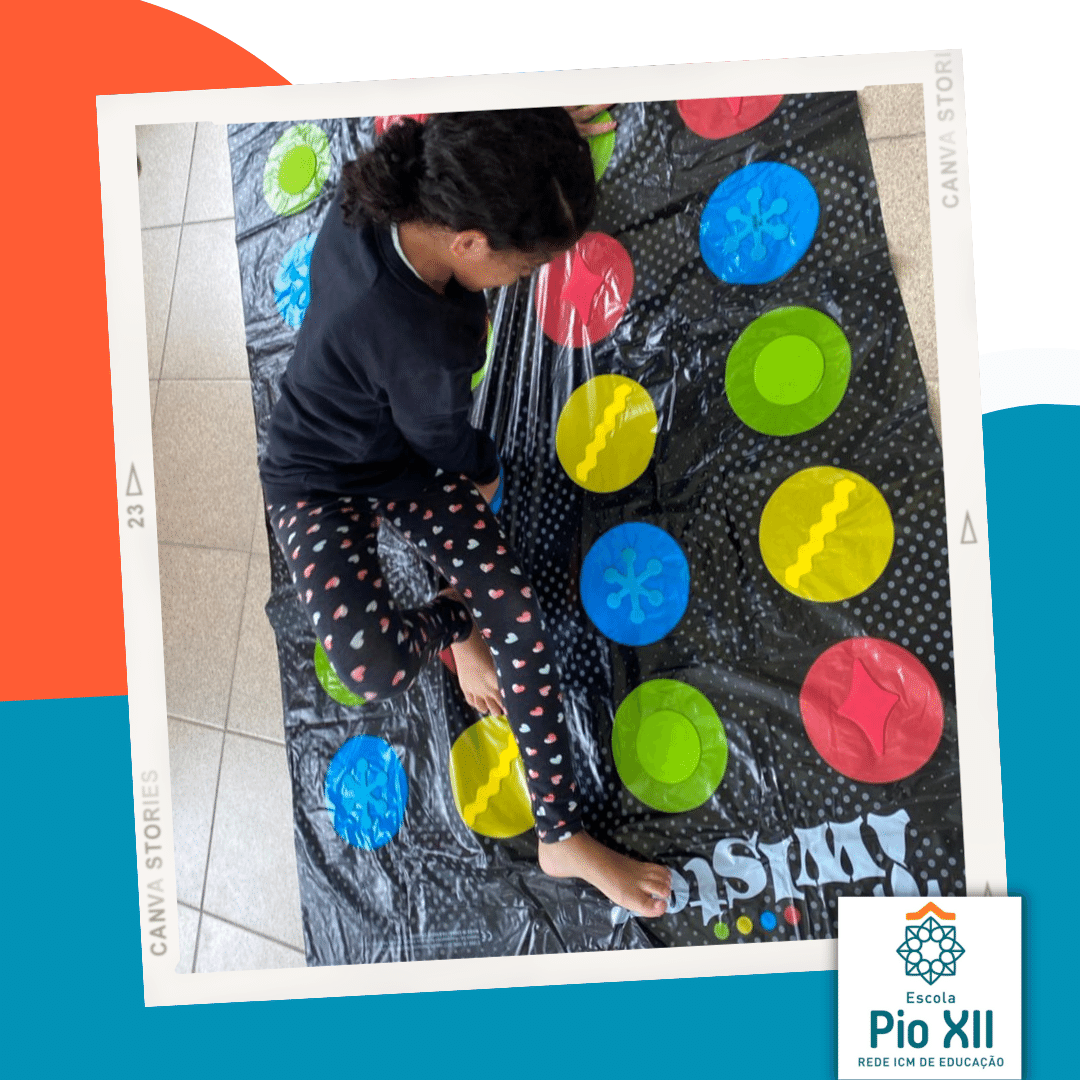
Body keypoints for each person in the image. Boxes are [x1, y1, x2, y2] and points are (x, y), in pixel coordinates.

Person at [259, 106, 671, 919]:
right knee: (371, 665)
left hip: (398, 451)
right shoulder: (427, 337)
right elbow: (451, 446)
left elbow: (449, 126)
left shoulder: (395, 176)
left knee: (516, 608)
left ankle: (559, 836)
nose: (522, 283)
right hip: (317, 477)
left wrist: (535, 136)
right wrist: (479, 490)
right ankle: (455, 621)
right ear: (471, 243)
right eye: (524, 269)